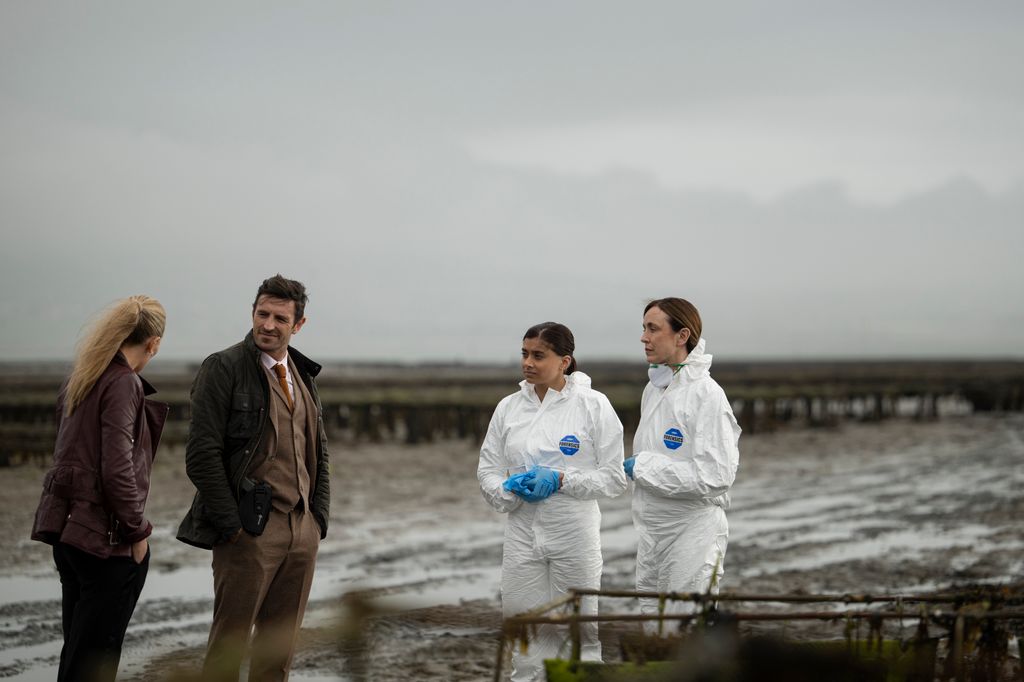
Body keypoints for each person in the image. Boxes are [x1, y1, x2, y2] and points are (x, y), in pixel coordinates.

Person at [176, 274, 330, 681]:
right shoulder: (223, 368)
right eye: (263, 314)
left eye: (280, 318)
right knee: (229, 648)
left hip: (301, 531)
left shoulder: (303, 374)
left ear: (298, 325)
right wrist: (231, 526)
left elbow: (319, 451)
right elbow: (201, 455)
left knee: (277, 657)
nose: (268, 324)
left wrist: (317, 520)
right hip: (247, 531)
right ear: (252, 313)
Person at [478, 322, 626, 681]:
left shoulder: (593, 406)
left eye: (538, 355)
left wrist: (561, 479)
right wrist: (507, 489)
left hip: (573, 534)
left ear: (564, 361)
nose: (528, 362)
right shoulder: (509, 408)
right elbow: (487, 470)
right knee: (524, 631)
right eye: (524, 354)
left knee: (578, 632)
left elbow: (614, 478)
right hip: (522, 535)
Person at [30, 295, 168, 682]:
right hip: (105, 542)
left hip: (68, 535)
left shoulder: (82, 376)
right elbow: (117, 468)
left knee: (76, 653)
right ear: (153, 343)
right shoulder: (123, 383)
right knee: (94, 662)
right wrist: (138, 531)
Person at [624, 297, 741, 630]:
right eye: (644, 329)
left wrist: (644, 468)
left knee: (682, 634)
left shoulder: (707, 395)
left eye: (653, 329)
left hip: (692, 534)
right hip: (652, 534)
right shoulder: (655, 390)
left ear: (682, 335)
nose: (644, 338)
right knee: (654, 632)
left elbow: (716, 477)